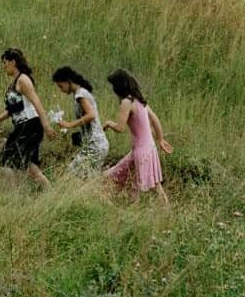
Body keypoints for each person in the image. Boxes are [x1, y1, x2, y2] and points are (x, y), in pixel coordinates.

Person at [0, 48, 53, 188]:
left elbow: (36, 102)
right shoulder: (15, 82)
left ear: (13, 62)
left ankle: (13, 195)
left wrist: (46, 126)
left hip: (30, 126)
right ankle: (50, 192)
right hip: (24, 125)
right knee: (29, 166)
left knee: (4, 160)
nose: (3, 66)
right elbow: (14, 109)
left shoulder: (23, 80)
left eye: (5, 63)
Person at [103, 69, 173, 204]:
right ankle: (164, 209)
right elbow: (155, 118)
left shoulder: (126, 102)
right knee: (153, 185)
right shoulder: (139, 99)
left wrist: (109, 123)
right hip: (149, 148)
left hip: (141, 152)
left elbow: (120, 128)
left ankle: (130, 210)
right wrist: (160, 139)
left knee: (135, 185)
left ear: (119, 86)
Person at [52, 66, 109, 176]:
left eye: (61, 86)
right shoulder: (81, 93)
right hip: (97, 144)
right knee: (89, 179)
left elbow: (91, 115)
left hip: (94, 145)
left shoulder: (80, 94)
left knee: (70, 175)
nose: (61, 90)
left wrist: (70, 124)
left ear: (68, 82)